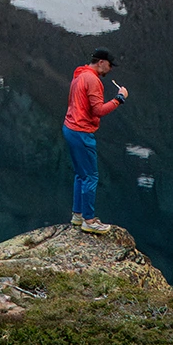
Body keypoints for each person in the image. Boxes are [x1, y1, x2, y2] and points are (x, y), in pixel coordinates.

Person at [62, 47, 128, 233]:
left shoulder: (80, 73)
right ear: (101, 62)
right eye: (109, 65)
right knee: (91, 176)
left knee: (80, 174)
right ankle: (89, 221)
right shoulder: (92, 80)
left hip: (70, 128)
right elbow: (98, 110)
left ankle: (77, 215)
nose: (110, 69)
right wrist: (119, 98)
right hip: (81, 131)